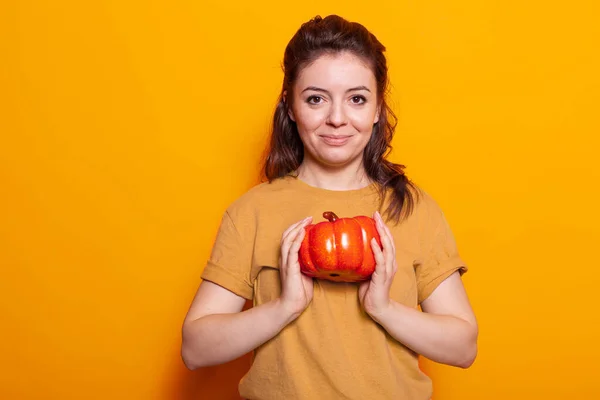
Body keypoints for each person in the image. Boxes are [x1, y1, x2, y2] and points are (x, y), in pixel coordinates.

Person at [181, 14, 478, 400]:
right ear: (290, 106)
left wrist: (383, 308)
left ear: (376, 110)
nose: (337, 119)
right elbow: (195, 349)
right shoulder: (252, 211)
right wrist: (285, 307)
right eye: (316, 99)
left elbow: (463, 347)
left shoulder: (412, 209)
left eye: (356, 99)